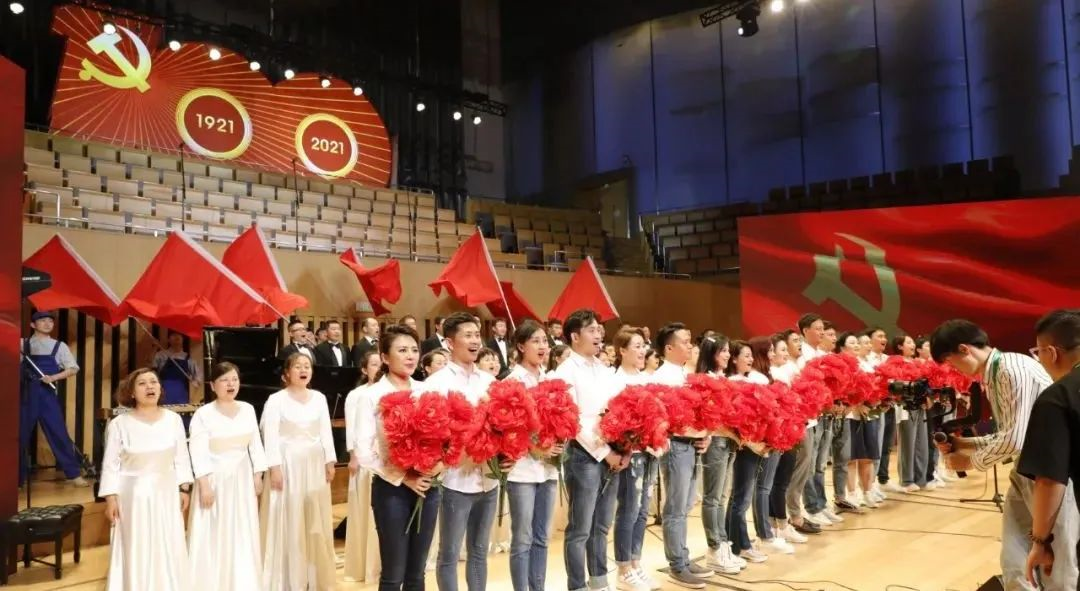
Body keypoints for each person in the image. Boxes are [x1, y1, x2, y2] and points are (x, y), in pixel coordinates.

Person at [931, 319, 1079, 591]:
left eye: (951, 362)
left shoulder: (1011, 369)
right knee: (1014, 555)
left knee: (1058, 563)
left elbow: (1015, 439)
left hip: (1049, 474)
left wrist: (970, 461)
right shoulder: (997, 371)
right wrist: (966, 444)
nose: (954, 369)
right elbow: (1011, 435)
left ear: (964, 349)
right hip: (1025, 470)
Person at [424, 312, 506, 591]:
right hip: (454, 480)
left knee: (480, 551)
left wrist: (506, 455)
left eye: (476, 335)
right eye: (467, 335)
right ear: (449, 342)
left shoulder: (490, 382)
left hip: (488, 479)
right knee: (449, 553)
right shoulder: (436, 383)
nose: (475, 341)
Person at [356, 325, 441, 590]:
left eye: (414, 350)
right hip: (392, 490)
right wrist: (404, 477)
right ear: (384, 357)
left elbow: (444, 438)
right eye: (402, 350)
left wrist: (437, 466)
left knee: (417, 573)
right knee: (393, 573)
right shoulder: (371, 396)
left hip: (427, 487)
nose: (410, 356)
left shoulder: (427, 391)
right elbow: (363, 451)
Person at [554, 309, 628, 591]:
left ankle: (599, 581)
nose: (599, 335)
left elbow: (619, 410)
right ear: (575, 336)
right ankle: (577, 585)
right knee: (580, 528)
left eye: (599, 329)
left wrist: (625, 447)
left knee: (601, 525)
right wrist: (606, 453)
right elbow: (573, 421)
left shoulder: (604, 369)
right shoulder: (565, 371)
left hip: (613, 452)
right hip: (584, 455)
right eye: (592, 330)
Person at [100, 368, 193, 590]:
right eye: (142, 383)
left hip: (166, 490)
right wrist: (110, 498)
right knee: (136, 543)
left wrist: (184, 488)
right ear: (132, 392)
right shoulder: (119, 424)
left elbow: (181, 456)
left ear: (160, 388)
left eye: (154, 382)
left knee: (167, 540)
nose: (149, 386)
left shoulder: (173, 420)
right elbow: (111, 464)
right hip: (132, 495)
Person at [260, 353, 337, 590]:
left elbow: (325, 431)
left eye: (307, 366)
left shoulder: (319, 398)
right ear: (286, 373)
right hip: (287, 463)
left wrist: (330, 461)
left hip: (314, 463)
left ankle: (313, 575)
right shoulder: (276, 400)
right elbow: (270, 436)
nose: (303, 370)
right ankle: (288, 575)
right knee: (290, 514)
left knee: (314, 515)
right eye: (297, 366)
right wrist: (274, 467)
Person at [187, 362, 268, 590]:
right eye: (224, 380)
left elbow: (255, 444)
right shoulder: (203, 414)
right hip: (214, 478)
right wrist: (204, 485)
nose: (230, 384)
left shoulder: (248, 409)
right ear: (213, 385)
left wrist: (258, 475)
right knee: (213, 530)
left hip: (242, 478)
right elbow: (197, 451)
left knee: (242, 528)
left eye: (234, 379)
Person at [1018, 309, 1080, 589]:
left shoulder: (1058, 397)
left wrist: (1040, 541)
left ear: (1052, 352)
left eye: (1038, 352)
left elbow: (1050, 479)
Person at [654, 322, 714, 588]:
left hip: (691, 444)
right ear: (669, 348)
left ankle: (683, 557)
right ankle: (677, 564)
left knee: (687, 503)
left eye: (690, 341)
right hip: (676, 446)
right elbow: (665, 419)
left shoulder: (685, 373)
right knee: (676, 507)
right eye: (684, 342)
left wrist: (706, 434)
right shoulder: (662, 377)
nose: (690, 346)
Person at [503, 320, 561, 591]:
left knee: (541, 536)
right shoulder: (512, 382)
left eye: (545, 341)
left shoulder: (549, 380)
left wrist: (560, 439)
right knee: (523, 538)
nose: (542, 346)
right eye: (535, 341)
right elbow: (509, 429)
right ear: (520, 346)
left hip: (548, 468)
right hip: (522, 470)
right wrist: (535, 448)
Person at [610, 327, 663, 591]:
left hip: (651, 452)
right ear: (622, 350)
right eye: (637, 346)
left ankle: (635, 561)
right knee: (629, 509)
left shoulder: (647, 380)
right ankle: (623, 568)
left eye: (644, 346)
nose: (642, 351)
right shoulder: (615, 381)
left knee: (643, 511)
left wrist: (659, 438)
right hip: (631, 455)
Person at [19, 310, 89, 487]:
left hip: (47, 394)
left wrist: (53, 377)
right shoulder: (22, 344)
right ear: (33, 325)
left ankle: (73, 474)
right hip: (26, 394)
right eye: (42, 320)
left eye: (50, 321)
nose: (47, 324)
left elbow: (73, 368)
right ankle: (16, 477)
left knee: (59, 433)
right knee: (19, 435)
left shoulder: (59, 346)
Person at [696, 335, 746, 575]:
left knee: (723, 495)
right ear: (711, 354)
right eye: (722, 351)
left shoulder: (723, 379)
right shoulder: (704, 380)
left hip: (729, 442)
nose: (727, 355)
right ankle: (715, 547)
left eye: (727, 350)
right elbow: (709, 418)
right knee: (712, 496)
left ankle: (723, 543)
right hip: (715, 440)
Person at [343, 348, 384, 583]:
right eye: (373, 364)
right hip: (365, 459)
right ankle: (367, 565)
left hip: (387, 459)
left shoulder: (389, 389)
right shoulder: (356, 395)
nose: (378, 369)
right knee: (366, 512)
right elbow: (352, 429)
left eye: (380, 364)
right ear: (364, 369)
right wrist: (354, 456)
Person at [153, 330, 202, 405]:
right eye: (173, 335)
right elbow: (151, 370)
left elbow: (198, 375)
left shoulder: (188, 358)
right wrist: (154, 349)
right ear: (168, 339)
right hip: (163, 393)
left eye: (179, 335)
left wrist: (196, 382)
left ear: (183, 339)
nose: (177, 337)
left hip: (182, 395)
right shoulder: (161, 355)